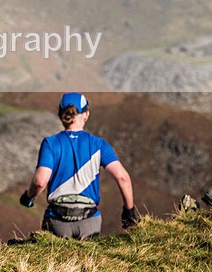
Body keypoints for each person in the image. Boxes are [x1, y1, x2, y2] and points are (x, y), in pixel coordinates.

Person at [20, 93, 140, 239]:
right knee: (87, 260)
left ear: (60, 114)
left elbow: (40, 182)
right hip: (90, 221)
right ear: (86, 115)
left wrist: (28, 197)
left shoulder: (50, 143)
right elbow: (122, 177)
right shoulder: (99, 144)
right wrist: (129, 212)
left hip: (57, 221)